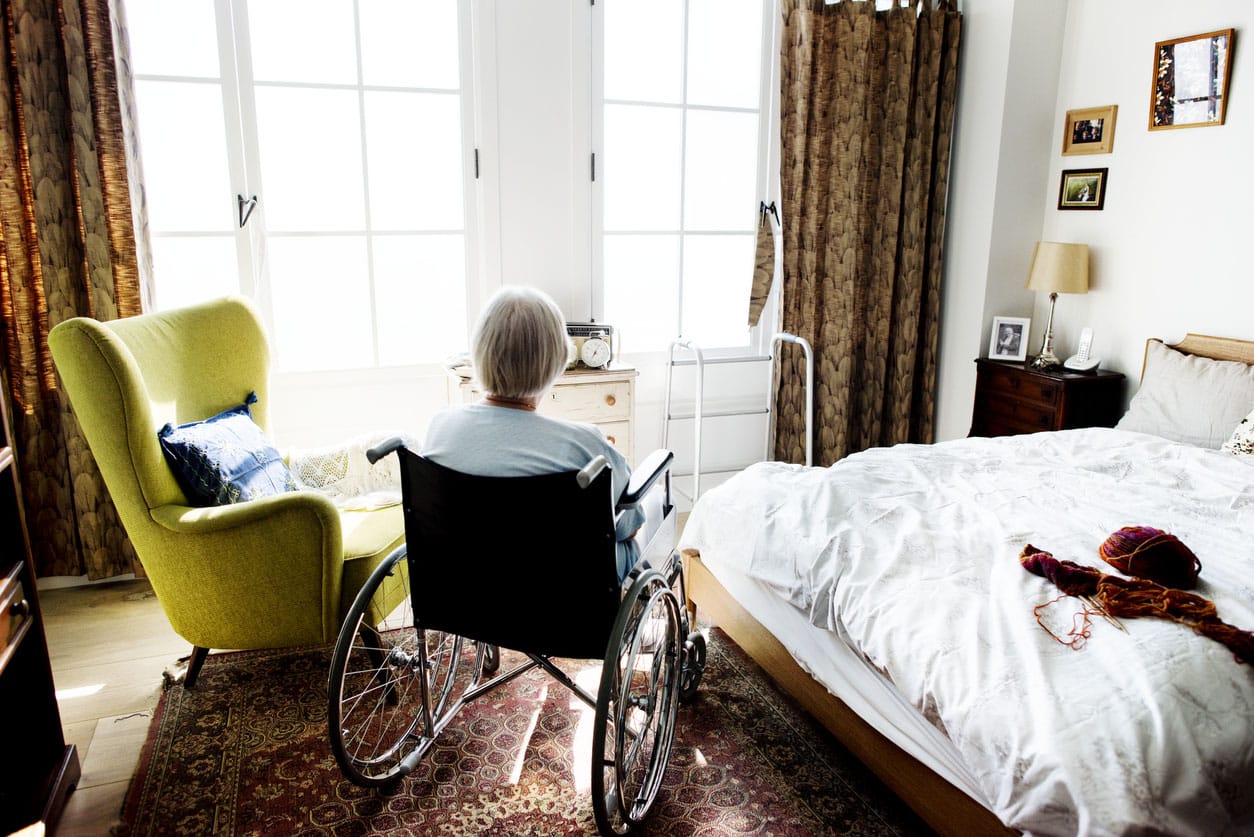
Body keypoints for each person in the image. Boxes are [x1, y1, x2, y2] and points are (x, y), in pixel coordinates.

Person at [421, 286, 646, 583]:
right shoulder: (586, 445)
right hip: (560, 589)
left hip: (468, 583)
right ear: (557, 360)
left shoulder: (441, 428)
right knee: (639, 530)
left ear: (479, 353)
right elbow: (626, 526)